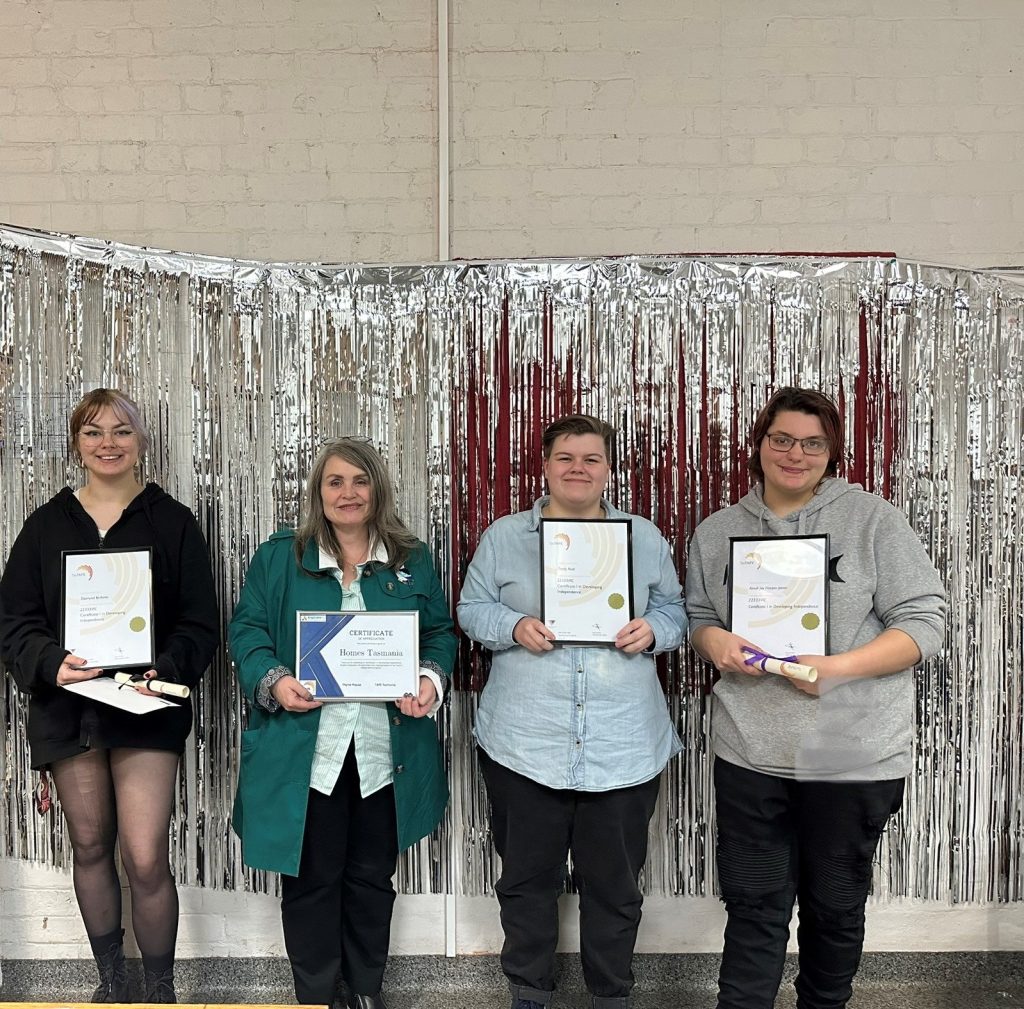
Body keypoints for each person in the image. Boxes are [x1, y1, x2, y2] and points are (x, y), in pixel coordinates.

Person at [684, 386, 946, 1009]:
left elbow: (926, 623)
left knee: (833, 904)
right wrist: (711, 639)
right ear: (759, 445)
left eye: (812, 443)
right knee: (753, 905)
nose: (795, 454)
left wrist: (841, 668)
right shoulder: (718, 531)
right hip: (749, 750)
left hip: (850, 753)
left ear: (832, 453)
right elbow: (698, 613)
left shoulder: (874, 519)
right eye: (782, 439)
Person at [457, 415, 686, 1009]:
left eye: (591, 459)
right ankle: (528, 992)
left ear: (608, 469)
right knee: (527, 882)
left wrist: (652, 631)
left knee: (613, 886)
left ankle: (611, 995)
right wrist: (512, 625)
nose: (578, 469)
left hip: (622, 743)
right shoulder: (505, 536)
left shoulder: (643, 536)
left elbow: (678, 613)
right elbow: (470, 608)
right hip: (524, 742)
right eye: (566, 457)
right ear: (546, 465)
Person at [0, 388, 219, 1004]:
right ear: (76, 444)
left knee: (145, 855)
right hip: (67, 707)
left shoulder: (173, 522)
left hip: (146, 705)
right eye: (94, 432)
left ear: (141, 439)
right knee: (90, 845)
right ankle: (111, 983)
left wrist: (166, 666)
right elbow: (14, 620)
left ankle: (159, 988)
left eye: (122, 431)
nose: (108, 444)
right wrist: (50, 662)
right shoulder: (45, 525)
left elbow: (201, 622)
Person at [229, 437, 455, 1009]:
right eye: (335, 482)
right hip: (310, 752)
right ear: (318, 492)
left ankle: (366, 991)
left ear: (377, 488)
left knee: (371, 882)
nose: (348, 493)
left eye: (360, 481)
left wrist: (429, 680)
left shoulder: (412, 559)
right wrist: (276, 680)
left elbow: (440, 635)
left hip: (385, 752)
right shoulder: (281, 556)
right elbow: (247, 632)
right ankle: (316, 996)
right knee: (310, 882)